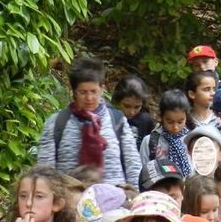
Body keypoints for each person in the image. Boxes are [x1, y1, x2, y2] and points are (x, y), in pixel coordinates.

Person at [37, 56, 142, 187]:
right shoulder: (57, 123)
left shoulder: (117, 120)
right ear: (74, 92)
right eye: (83, 92)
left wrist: (135, 198)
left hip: (114, 201)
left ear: (102, 89)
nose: (89, 98)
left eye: (93, 91)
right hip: (70, 200)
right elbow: (45, 173)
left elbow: (133, 165)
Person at [140, 89, 193, 175]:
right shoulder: (150, 141)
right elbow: (144, 171)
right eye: (170, 122)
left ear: (186, 116)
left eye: (180, 122)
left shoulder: (193, 140)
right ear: (161, 117)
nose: (175, 127)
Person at [113, 74, 156, 146]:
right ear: (118, 101)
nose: (131, 112)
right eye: (127, 106)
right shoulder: (110, 116)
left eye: (137, 107)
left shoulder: (144, 120)